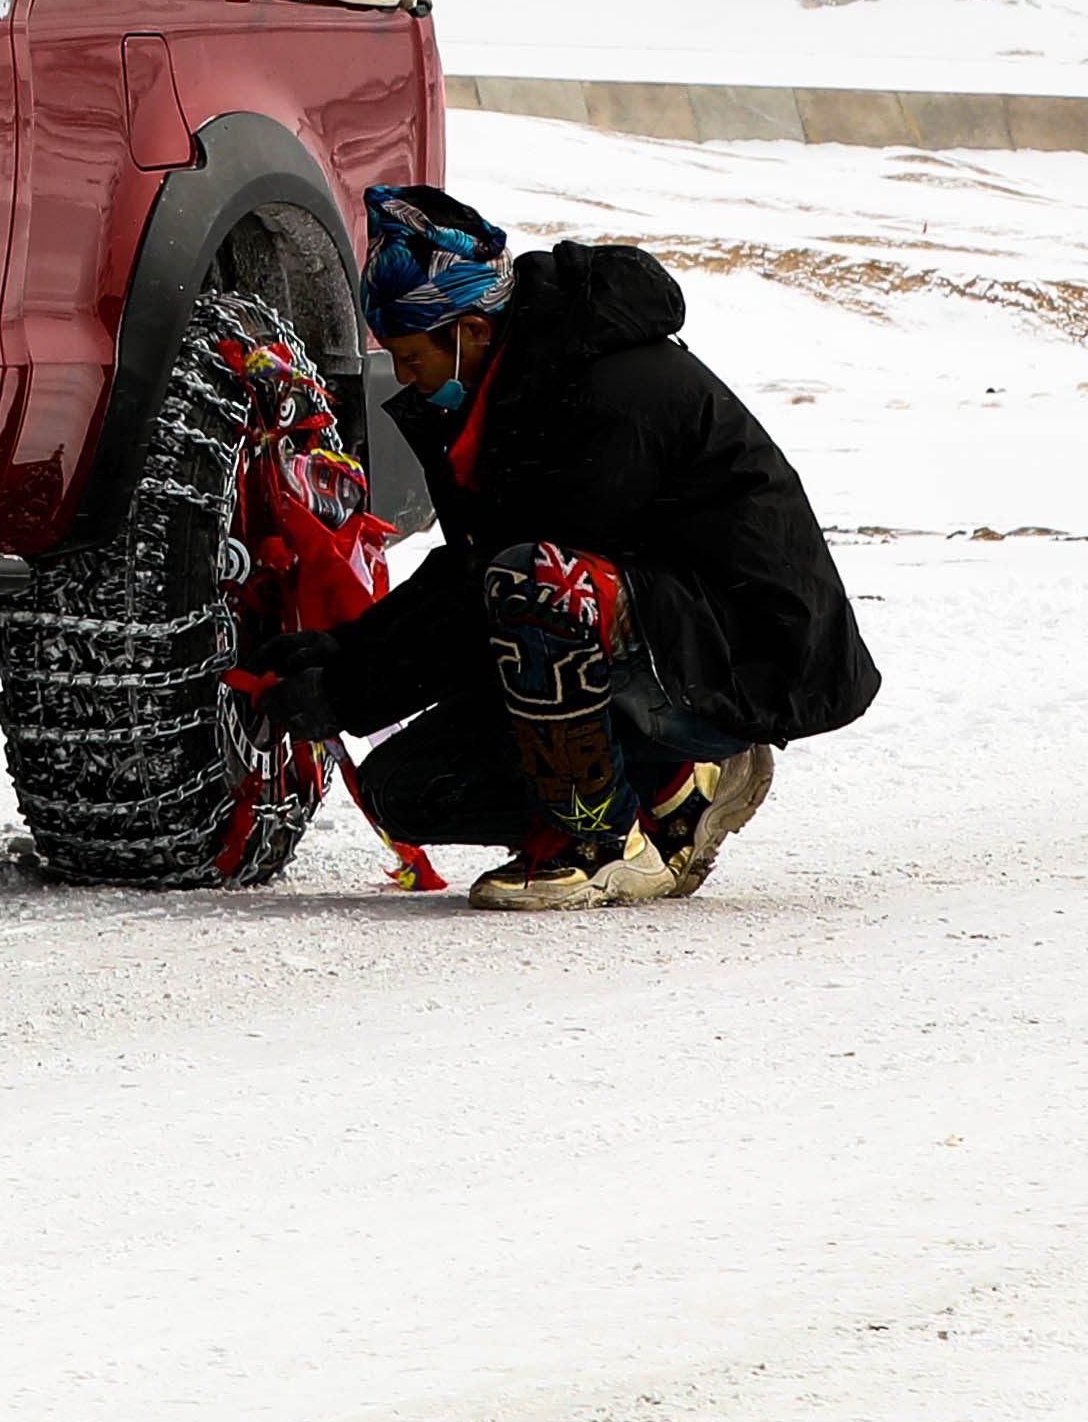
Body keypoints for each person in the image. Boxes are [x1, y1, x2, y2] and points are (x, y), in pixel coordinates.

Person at [266, 184, 882, 911]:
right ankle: (674, 789)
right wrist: (346, 654)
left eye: (409, 356)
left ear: (469, 330)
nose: (403, 377)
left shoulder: (607, 389)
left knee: (538, 584)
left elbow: (520, 576)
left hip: (745, 654)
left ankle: (603, 843)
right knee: (408, 791)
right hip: (654, 638)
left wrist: (351, 690)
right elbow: (467, 569)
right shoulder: (507, 386)